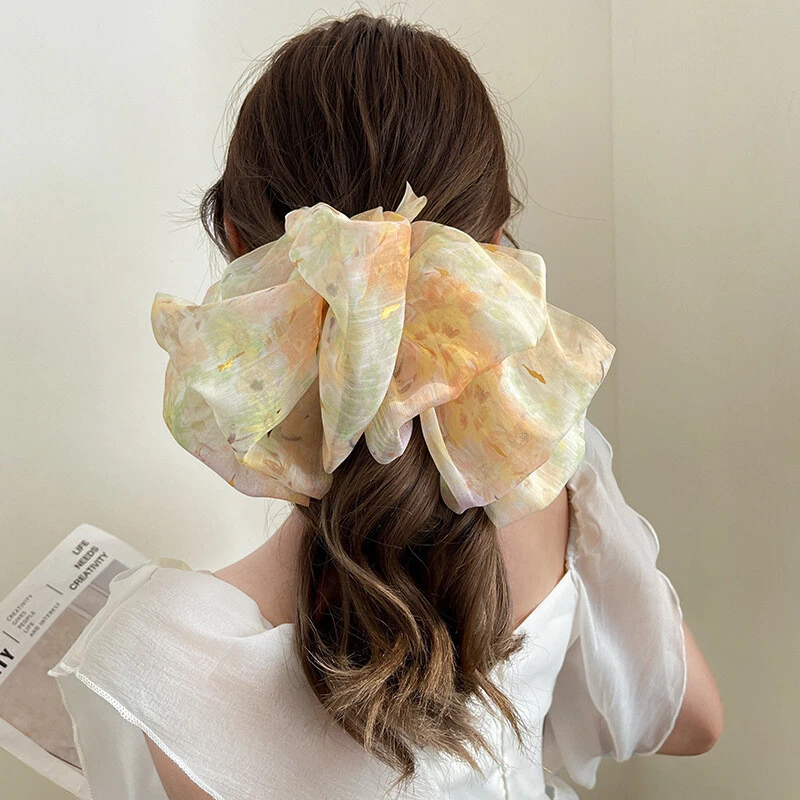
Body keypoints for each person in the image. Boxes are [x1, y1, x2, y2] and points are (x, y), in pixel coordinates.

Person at [47, 10, 723, 800]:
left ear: (238, 248)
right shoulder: (551, 483)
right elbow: (694, 722)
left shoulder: (146, 664)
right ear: (492, 252)